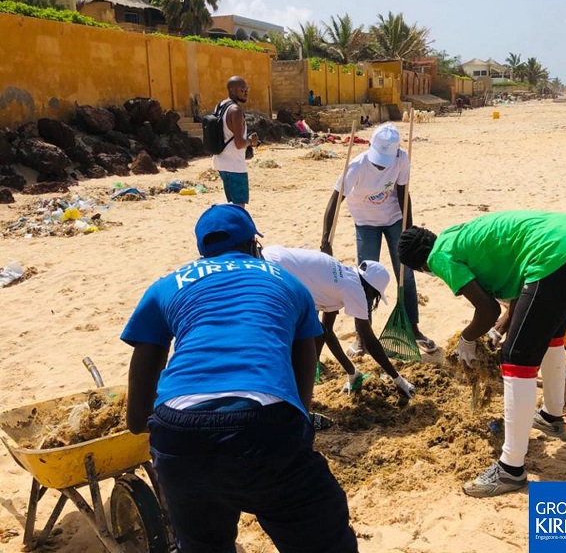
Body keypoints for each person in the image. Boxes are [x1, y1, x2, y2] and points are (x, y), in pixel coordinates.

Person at [122, 204, 359, 552]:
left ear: (203, 250)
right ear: (253, 245)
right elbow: (302, 373)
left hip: (178, 431)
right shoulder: (289, 284)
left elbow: (143, 368)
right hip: (262, 425)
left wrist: (144, 426)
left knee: (203, 543)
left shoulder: (167, 285)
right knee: (322, 537)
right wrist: (296, 430)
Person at [398, 211, 566, 498]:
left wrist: (467, 338)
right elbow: (515, 286)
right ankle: (551, 416)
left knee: (515, 357)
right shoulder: (455, 236)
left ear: (421, 268)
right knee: (550, 333)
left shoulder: (438, 257)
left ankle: (510, 470)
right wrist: (503, 326)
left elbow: (487, 309)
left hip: (554, 255)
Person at [320, 123, 436, 354]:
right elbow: (334, 201)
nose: (380, 164)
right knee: (364, 279)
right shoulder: (356, 167)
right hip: (365, 223)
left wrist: (409, 229)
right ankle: (363, 335)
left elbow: (404, 194)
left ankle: (412, 328)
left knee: (406, 273)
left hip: (393, 219)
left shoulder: (402, 159)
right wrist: (326, 240)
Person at [262, 245, 416, 398]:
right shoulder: (354, 289)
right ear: (370, 288)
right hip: (273, 273)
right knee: (292, 340)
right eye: (375, 295)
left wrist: (351, 372)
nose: (371, 300)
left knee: (314, 333)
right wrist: (398, 380)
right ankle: (289, 392)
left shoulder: (342, 278)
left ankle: (297, 387)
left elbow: (326, 332)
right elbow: (369, 341)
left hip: (267, 257)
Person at [212, 76, 258, 208]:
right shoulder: (236, 111)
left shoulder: (221, 106)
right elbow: (239, 144)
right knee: (239, 206)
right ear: (232, 89)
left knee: (233, 204)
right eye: (243, 89)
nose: (246, 92)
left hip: (221, 162)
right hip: (234, 165)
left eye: (247, 89)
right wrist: (251, 141)